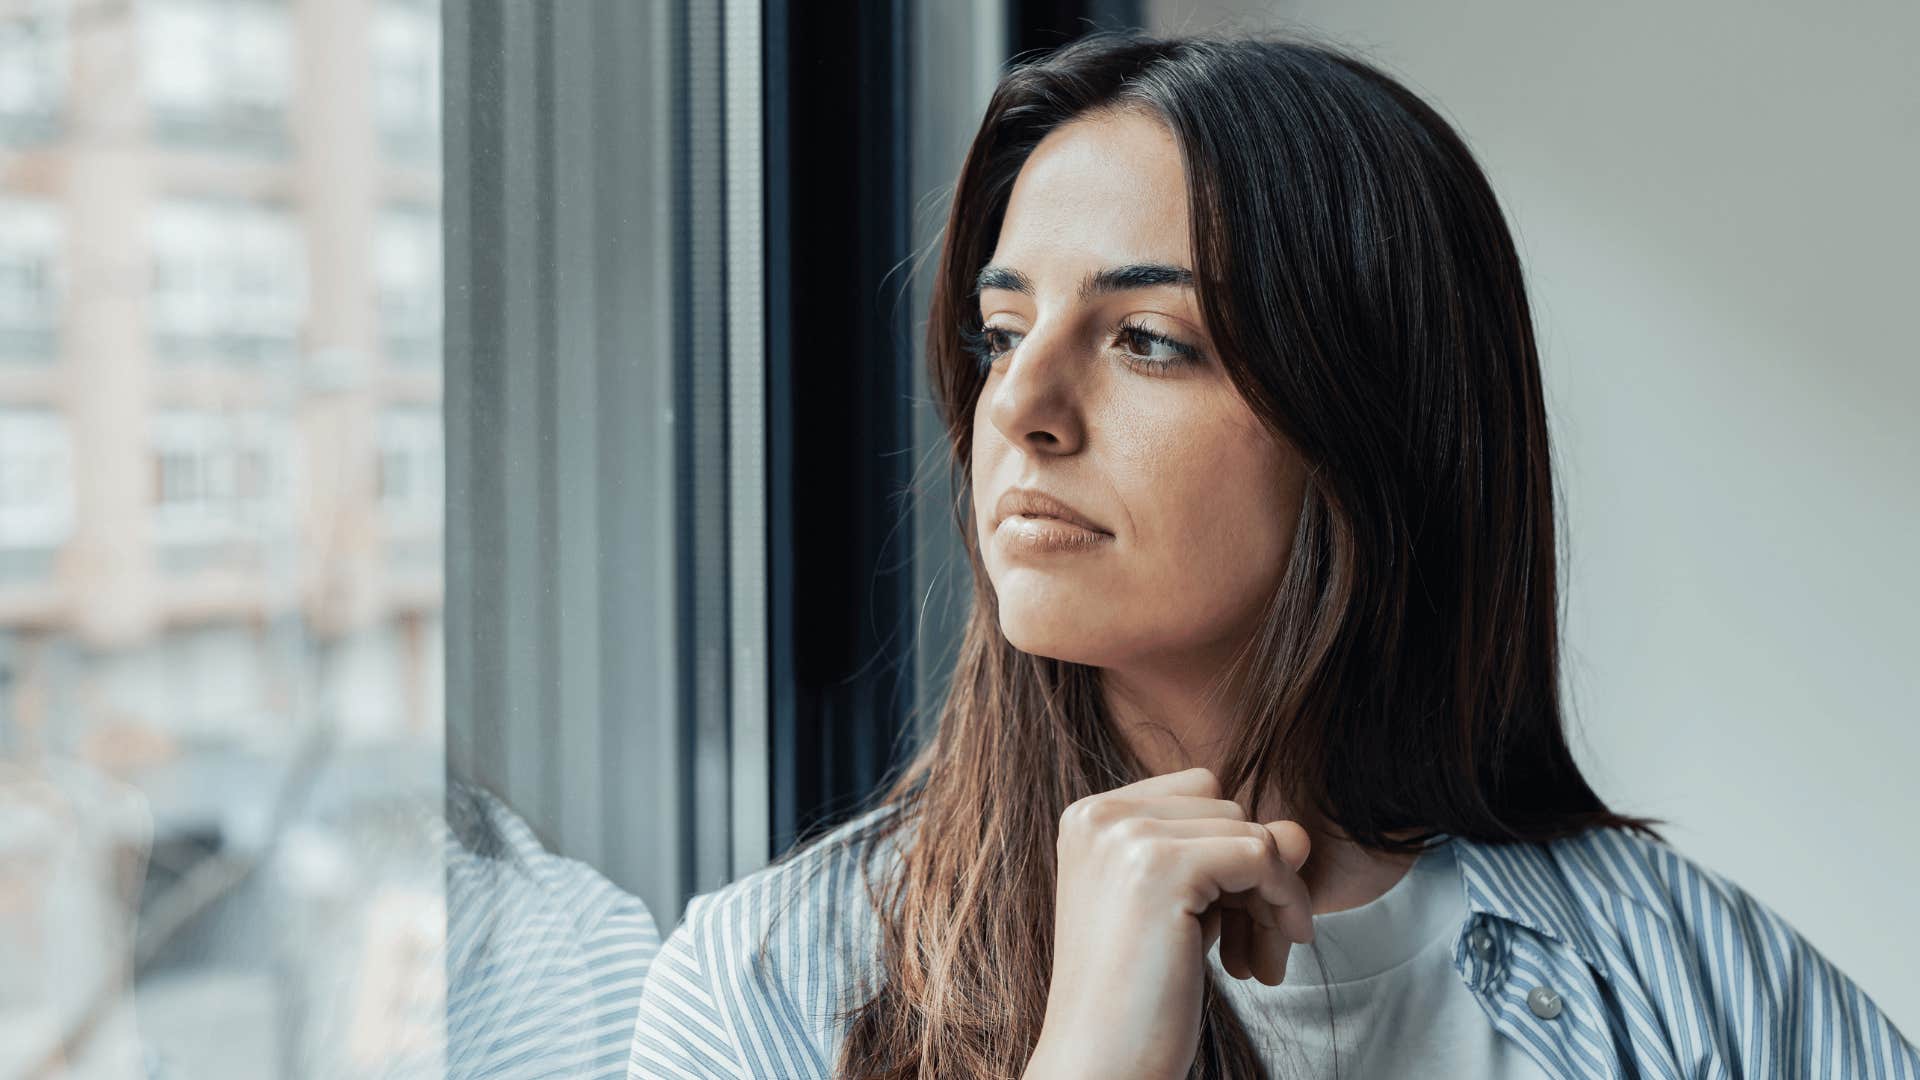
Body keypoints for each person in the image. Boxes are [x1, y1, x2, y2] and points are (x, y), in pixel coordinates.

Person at [628, 29, 1919, 1080]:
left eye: (1147, 340)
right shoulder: (765, 994)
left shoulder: (1683, 975)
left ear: (1368, 421)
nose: (1021, 406)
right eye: (1001, 333)